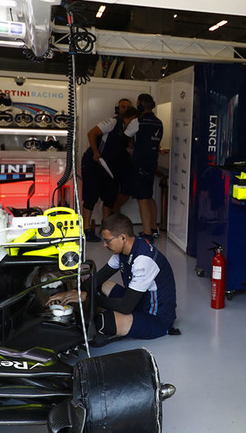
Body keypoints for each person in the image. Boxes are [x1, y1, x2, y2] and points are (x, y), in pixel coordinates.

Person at [46, 213, 177, 341]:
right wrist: (72, 292)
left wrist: (88, 298)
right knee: (102, 284)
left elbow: (126, 306)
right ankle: (92, 307)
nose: (104, 244)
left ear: (123, 238)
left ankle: (94, 309)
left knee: (104, 322)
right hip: (139, 301)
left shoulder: (143, 260)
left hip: (156, 318)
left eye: (107, 241)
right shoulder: (127, 249)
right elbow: (99, 278)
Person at [80, 99, 137, 242]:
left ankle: (106, 229)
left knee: (109, 198)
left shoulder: (131, 130)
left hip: (111, 168)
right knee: (90, 198)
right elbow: (91, 133)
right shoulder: (112, 122)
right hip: (95, 164)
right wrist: (95, 153)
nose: (125, 109)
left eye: (127, 107)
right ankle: (86, 230)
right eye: (122, 107)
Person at [125, 93, 163, 239]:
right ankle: (154, 228)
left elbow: (126, 135)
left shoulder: (138, 121)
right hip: (152, 162)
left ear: (140, 105)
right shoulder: (159, 122)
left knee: (142, 198)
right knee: (149, 196)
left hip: (140, 163)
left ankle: (147, 233)